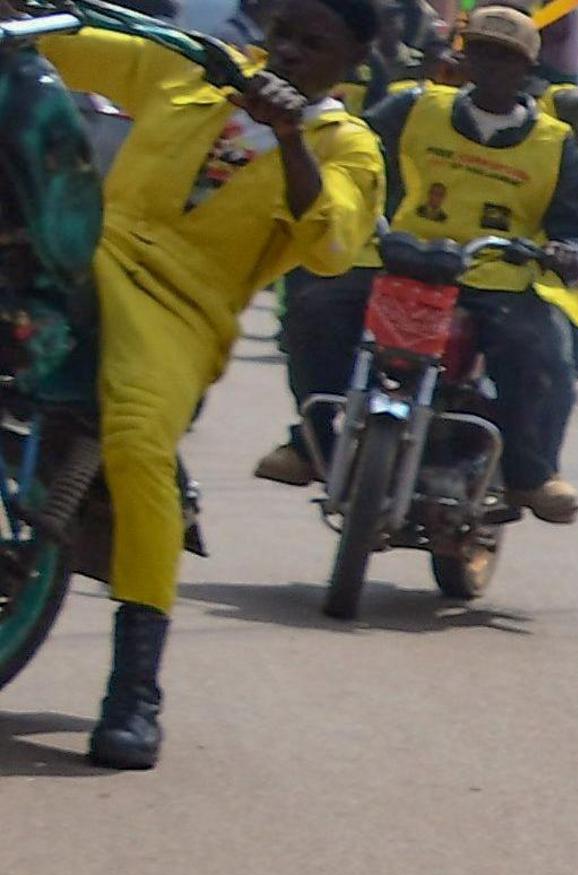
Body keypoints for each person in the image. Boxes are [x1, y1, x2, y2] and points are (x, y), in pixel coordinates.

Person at [48, 0, 386, 769]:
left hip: (178, 308)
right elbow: (70, 51)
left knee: (137, 446)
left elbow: (331, 243)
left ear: (354, 61)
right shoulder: (191, 72)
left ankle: (134, 695)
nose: (290, 52)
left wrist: (291, 136)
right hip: (81, 251)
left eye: (314, 43)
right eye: (284, 35)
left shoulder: (349, 147)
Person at [261, 1, 578, 524]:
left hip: (495, 279)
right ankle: (311, 441)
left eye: (505, 59)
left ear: (528, 68)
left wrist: (570, 253)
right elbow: (356, 155)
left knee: (543, 354)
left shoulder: (556, 142)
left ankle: (532, 473)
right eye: (481, 54)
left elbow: (576, 228)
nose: (491, 68)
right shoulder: (413, 106)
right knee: (314, 308)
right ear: (463, 58)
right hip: (401, 261)